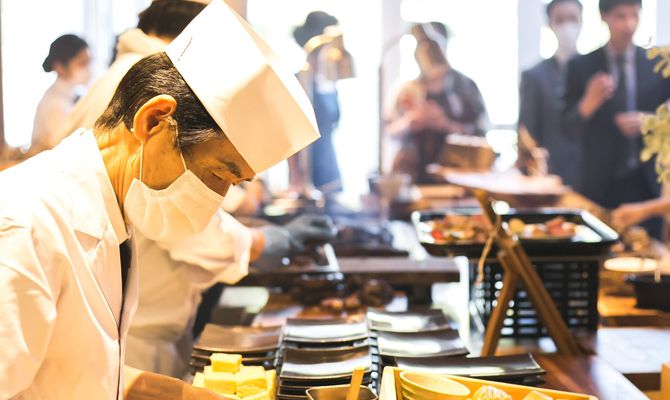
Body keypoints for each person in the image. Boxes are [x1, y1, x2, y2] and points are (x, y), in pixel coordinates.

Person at [0, 1, 320, 398]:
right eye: (218, 174)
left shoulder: (110, 210)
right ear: (153, 121)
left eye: (234, 183)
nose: (217, 198)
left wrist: (189, 395)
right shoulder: (22, 227)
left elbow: (74, 372)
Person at [563, 0, 670, 238]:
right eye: (621, 16)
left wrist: (648, 121)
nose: (629, 24)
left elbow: (667, 120)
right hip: (598, 183)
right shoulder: (581, 66)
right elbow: (566, 129)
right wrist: (587, 105)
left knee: (648, 248)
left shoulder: (656, 63)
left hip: (646, 182)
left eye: (634, 16)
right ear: (604, 16)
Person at [385, 22, 488, 184]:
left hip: (460, 178)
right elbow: (388, 131)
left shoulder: (466, 87)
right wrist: (410, 122)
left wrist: (444, 124)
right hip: (412, 177)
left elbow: (481, 133)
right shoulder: (407, 90)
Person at [519, 0, 583, 188]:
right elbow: (527, 131)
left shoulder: (595, 72)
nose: (567, 27)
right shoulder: (534, 76)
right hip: (550, 175)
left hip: (591, 177)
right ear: (550, 24)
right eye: (560, 20)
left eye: (573, 19)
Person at [292, 11, 344, 193]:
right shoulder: (299, 82)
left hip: (331, 174)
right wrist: (297, 180)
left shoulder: (328, 83)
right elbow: (291, 135)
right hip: (308, 179)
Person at [31, 34, 90, 151]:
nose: (87, 69)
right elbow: (65, 148)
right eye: (81, 64)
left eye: (88, 63)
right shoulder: (54, 104)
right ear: (59, 67)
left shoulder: (73, 94)